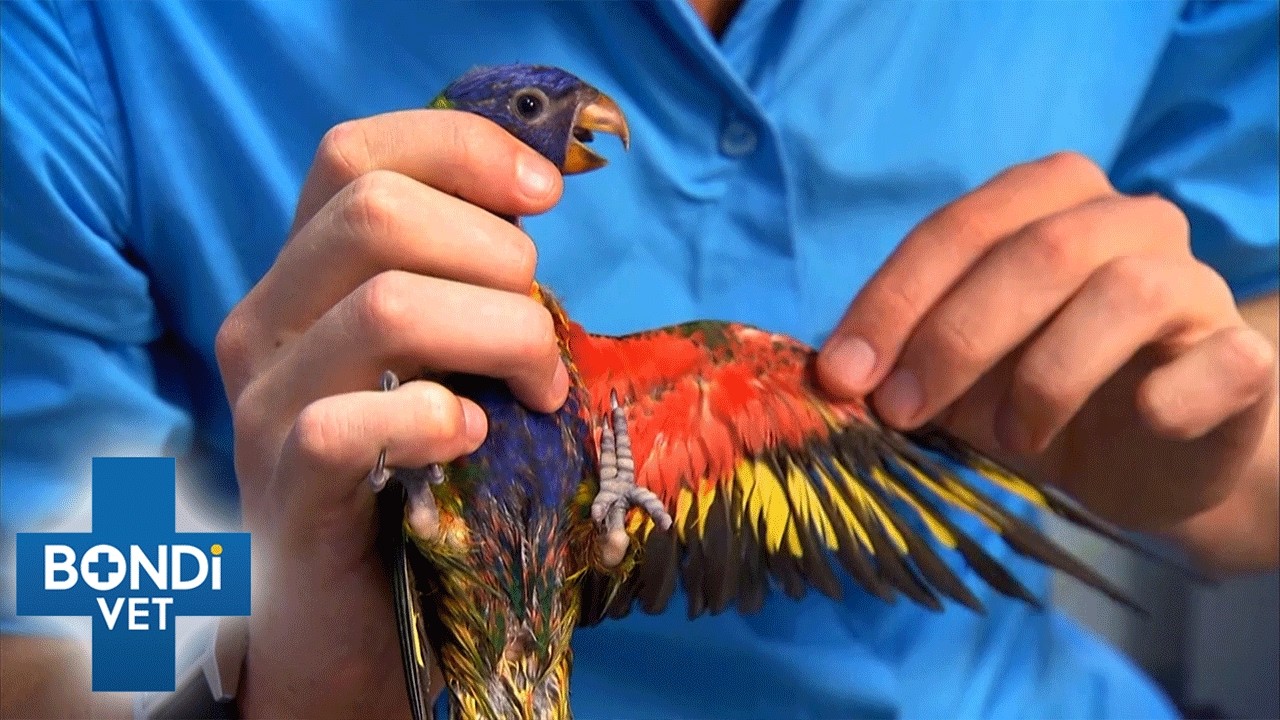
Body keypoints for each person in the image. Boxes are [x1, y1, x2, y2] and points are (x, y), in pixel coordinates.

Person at [3, 1, 1277, 718]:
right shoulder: (93, 38)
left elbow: (1251, 404)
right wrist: (275, 671)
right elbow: (62, 631)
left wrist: (1209, 455)